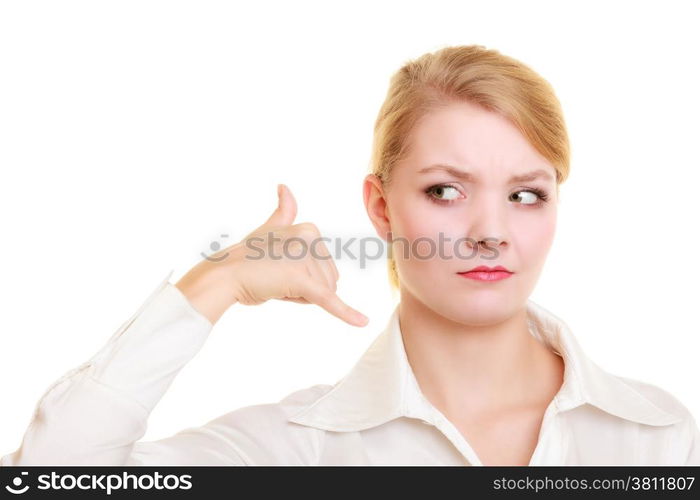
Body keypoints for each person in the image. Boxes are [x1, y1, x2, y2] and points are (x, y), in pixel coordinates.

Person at [2, 44, 698, 466]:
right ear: (381, 207)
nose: (491, 231)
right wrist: (214, 283)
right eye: (446, 189)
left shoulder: (659, 436)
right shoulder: (292, 450)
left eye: (525, 195)